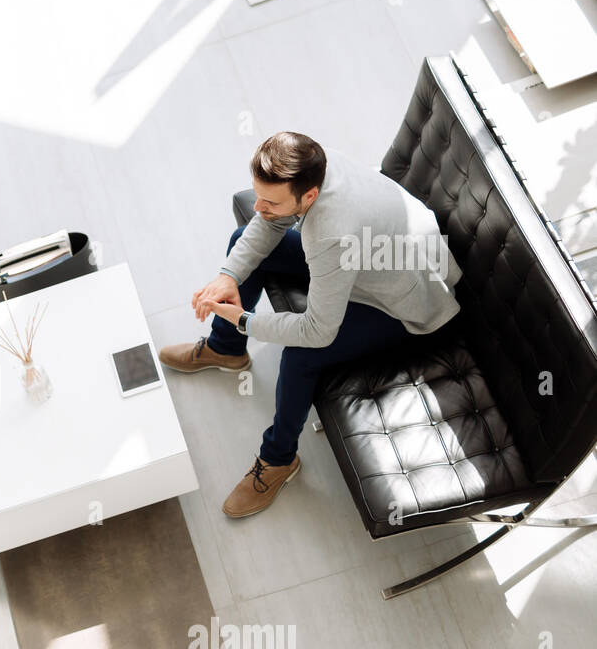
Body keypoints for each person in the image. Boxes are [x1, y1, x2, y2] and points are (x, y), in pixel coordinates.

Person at [157, 131, 462, 518]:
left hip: (404, 303)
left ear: (309, 197)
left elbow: (318, 331)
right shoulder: (314, 162)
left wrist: (246, 321)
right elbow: (267, 224)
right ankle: (225, 349)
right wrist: (228, 276)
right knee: (242, 240)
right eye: (259, 194)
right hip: (373, 259)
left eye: (271, 200)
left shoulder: (330, 234)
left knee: (301, 356)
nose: (260, 206)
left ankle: (279, 459)